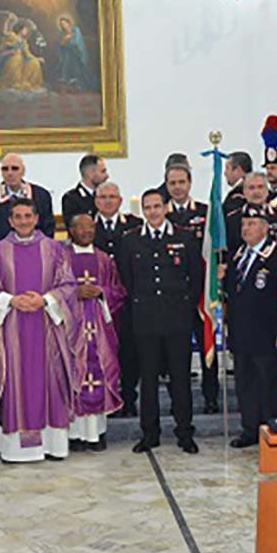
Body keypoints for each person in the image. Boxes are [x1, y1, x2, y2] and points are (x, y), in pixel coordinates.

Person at [0, 198, 80, 463]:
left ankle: (53, 446)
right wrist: (11, 300)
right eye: (18, 217)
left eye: (28, 216)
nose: (23, 221)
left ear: (36, 218)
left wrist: (45, 300)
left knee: (50, 380)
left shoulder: (54, 249)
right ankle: (14, 449)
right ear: (10, 221)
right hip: (11, 328)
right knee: (13, 380)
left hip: (46, 328)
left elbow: (68, 285)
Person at [117, 189, 202, 454]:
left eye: (157, 206)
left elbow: (196, 277)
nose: (152, 212)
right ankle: (149, 434)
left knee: (180, 379)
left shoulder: (185, 237)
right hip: (146, 321)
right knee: (149, 379)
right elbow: (126, 279)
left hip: (177, 319)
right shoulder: (130, 240)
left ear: (166, 208)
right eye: (148, 207)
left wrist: (184, 306)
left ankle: (184, 432)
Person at [64, 214, 125, 452]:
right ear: (71, 230)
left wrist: (101, 292)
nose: (85, 231)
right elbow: (52, 288)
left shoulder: (103, 259)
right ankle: (74, 435)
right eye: (80, 227)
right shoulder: (61, 257)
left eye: (89, 227)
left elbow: (118, 290)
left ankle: (96, 434)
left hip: (99, 330)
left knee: (99, 373)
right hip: (71, 328)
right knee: (73, 375)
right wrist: (74, 293)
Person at [224, 205, 277, 448]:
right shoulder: (238, 255)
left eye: (252, 224)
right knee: (246, 384)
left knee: (269, 384)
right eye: (244, 224)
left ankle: (271, 429)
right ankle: (250, 429)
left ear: (265, 227)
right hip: (241, 333)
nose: (246, 229)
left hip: (266, 334)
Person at [164, 161, 219, 414]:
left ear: (190, 183)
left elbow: (215, 251)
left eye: (181, 182)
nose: (177, 187)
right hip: (174, 297)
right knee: (176, 354)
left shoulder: (206, 213)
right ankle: (178, 401)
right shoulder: (161, 214)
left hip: (201, 294)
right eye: (172, 183)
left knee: (208, 347)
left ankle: (211, 397)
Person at [92, 181, 142, 417]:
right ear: (96, 201)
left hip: (129, 301)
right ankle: (106, 399)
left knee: (129, 352)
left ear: (120, 201)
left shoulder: (134, 225)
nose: (108, 201)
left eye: (112, 197)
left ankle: (129, 399)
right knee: (102, 352)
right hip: (98, 304)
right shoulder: (87, 228)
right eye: (103, 197)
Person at [0, 153, 56, 243]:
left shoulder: (41, 196)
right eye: (5, 169)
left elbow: (48, 230)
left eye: (15, 168)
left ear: (23, 171)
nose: (10, 173)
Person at [225, 172, 275, 256]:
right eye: (251, 188)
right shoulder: (232, 219)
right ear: (244, 192)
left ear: (267, 191)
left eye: (260, 187)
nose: (256, 192)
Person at [61, 154, 109, 226]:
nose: (107, 176)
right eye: (103, 171)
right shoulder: (72, 198)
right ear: (90, 173)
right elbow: (75, 227)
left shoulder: (105, 196)